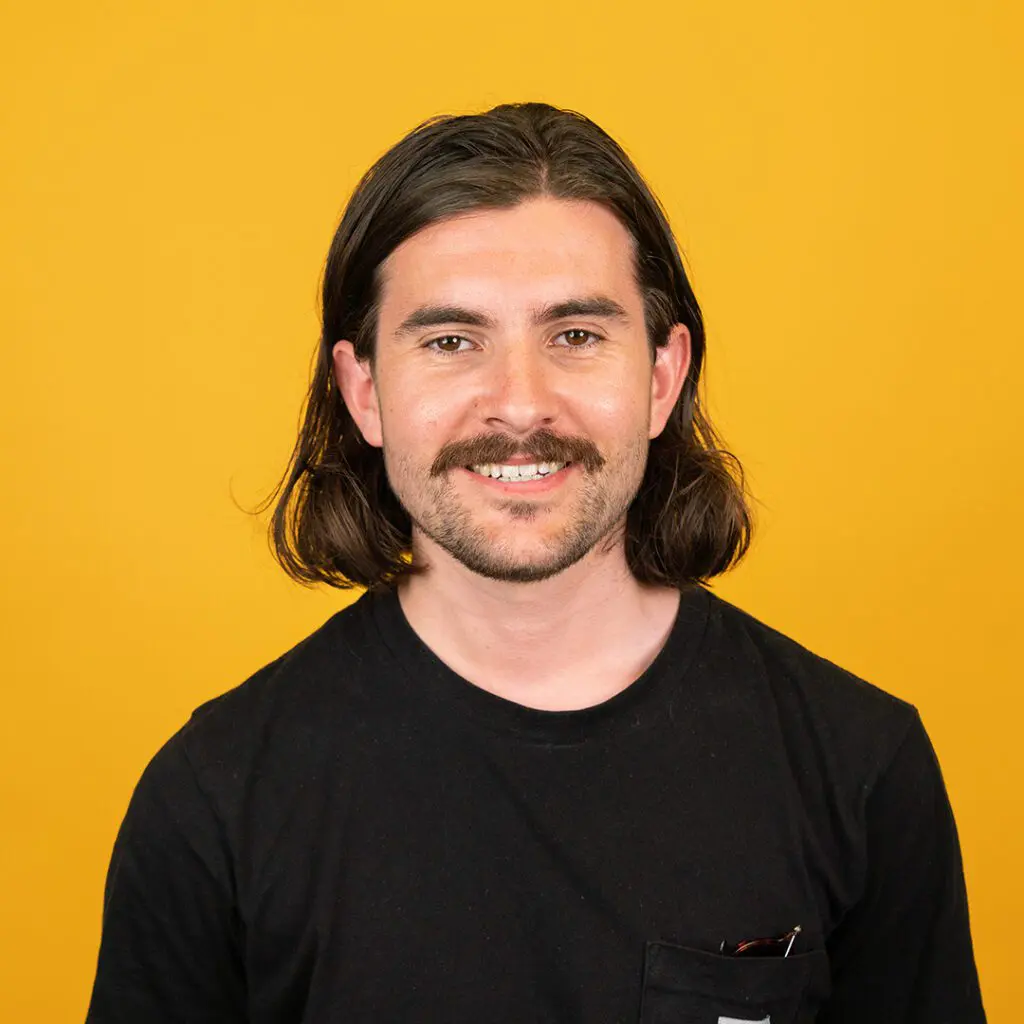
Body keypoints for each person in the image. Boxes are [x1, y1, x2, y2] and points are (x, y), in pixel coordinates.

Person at [85, 102, 985, 1023]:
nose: (520, 404)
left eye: (577, 336)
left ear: (663, 379)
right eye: (450, 342)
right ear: (364, 392)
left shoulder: (862, 765)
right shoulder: (212, 799)